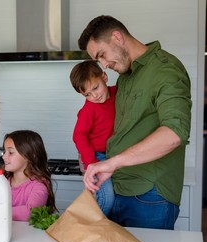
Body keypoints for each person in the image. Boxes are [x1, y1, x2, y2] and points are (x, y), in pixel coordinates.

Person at [78, 15, 192, 229]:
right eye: (98, 60)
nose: (103, 64)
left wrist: (113, 162)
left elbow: (174, 133)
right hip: (118, 187)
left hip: (149, 194)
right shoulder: (125, 77)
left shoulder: (165, 70)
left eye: (102, 54)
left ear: (117, 37)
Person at [70, 60, 116, 216]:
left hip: (114, 155)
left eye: (96, 88)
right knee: (107, 197)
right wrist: (91, 162)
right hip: (96, 156)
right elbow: (78, 135)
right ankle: (96, 227)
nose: (94, 96)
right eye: (87, 94)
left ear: (104, 76)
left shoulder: (119, 93)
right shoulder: (88, 110)